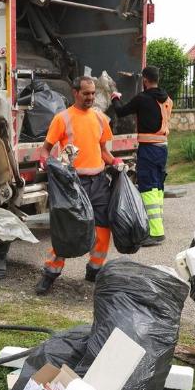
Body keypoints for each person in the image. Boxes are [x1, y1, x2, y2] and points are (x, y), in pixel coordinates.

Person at [35, 76, 125, 295]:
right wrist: (45, 161)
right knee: (68, 231)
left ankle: (94, 271)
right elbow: (46, 149)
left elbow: (103, 150)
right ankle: (50, 274)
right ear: (75, 92)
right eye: (86, 93)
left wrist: (115, 161)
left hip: (99, 182)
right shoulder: (63, 118)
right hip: (74, 184)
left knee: (103, 231)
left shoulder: (101, 118)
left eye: (93, 93)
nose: (91, 98)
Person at [110, 66, 172, 246]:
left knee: (148, 186)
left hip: (149, 149)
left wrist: (115, 99)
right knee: (158, 186)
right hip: (163, 147)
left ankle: (155, 233)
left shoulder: (142, 98)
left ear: (145, 80)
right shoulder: (167, 99)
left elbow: (121, 112)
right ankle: (157, 226)